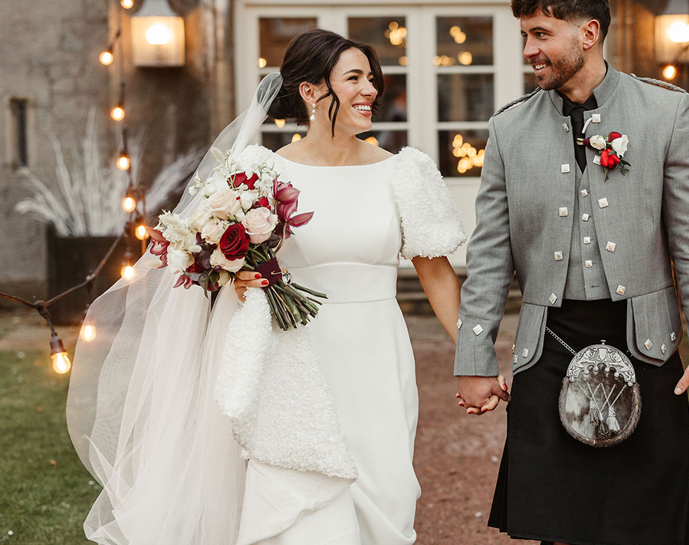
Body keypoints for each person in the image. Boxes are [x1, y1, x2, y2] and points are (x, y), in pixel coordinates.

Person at [68, 29, 468, 545]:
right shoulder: (260, 170)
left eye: (372, 79)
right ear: (310, 90)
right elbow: (203, 270)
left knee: (387, 492)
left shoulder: (404, 172)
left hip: (377, 354)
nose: (370, 89)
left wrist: (474, 355)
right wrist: (236, 278)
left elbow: (437, 276)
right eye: (354, 78)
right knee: (302, 510)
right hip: (293, 357)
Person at [454, 0, 689, 545]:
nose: (529, 49)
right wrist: (475, 356)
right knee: (561, 524)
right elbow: (488, 255)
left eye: (541, 34)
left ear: (589, 33)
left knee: (647, 525)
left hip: (646, 346)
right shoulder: (508, 130)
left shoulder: (664, 113)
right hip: (547, 344)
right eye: (524, 35)